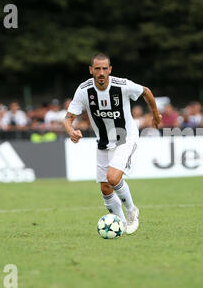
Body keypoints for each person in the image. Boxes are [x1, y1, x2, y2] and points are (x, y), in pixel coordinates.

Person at [63, 53, 161, 234]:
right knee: (105, 188)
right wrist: (71, 132)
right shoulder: (84, 90)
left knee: (113, 178)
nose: (101, 72)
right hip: (103, 141)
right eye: (97, 69)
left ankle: (132, 211)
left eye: (104, 68)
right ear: (91, 70)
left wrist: (155, 114)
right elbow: (68, 119)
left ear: (110, 70)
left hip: (126, 137)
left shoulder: (122, 85)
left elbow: (145, 91)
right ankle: (122, 225)